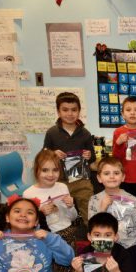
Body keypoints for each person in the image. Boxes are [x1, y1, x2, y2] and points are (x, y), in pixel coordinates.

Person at [23, 149, 78, 272]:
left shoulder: (62, 187)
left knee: (69, 271)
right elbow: (26, 225)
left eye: (55, 170)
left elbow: (72, 218)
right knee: (45, 270)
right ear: (36, 171)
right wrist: (40, 213)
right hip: (43, 234)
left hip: (66, 231)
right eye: (45, 170)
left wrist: (71, 206)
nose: (51, 174)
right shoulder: (28, 193)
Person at [88, 157, 136, 272]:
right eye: (107, 173)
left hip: (129, 248)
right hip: (104, 249)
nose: (112, 176)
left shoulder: (132, 200)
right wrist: (103, 209)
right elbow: (93, 228)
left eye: (116, 173)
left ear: (123, 177)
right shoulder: (94, 200)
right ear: (99, 178)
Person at [42, 91, 96, 221]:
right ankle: (64, 232)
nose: (70, 114)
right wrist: (53, 154)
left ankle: (90, 233)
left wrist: (89, 156)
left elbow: (93, 157)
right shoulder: (52, 133)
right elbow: (44, 156)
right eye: (65, 110)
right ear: (58, 112)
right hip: (59, 179)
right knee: (59, 210)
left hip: (81, 179)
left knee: (88, 207)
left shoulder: (85, 133)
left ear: (79, 111)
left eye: (74, 110)